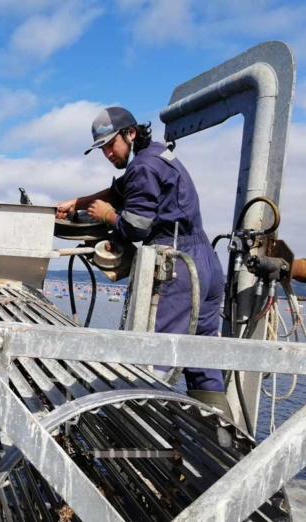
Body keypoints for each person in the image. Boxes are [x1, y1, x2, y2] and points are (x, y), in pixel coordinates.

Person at [56, 107, 228, 412]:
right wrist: (78, 202)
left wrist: (107, 216)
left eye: (111, 144)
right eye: (103, 148)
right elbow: (117, 191)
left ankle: (140, 427)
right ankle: (221, 436)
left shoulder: (142, 167)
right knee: (202, 357)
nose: (108, 153)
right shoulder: (156, 156)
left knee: (152, 358)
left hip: (177, 267)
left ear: (130, 133)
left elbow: (136, 226)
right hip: (207, 265)